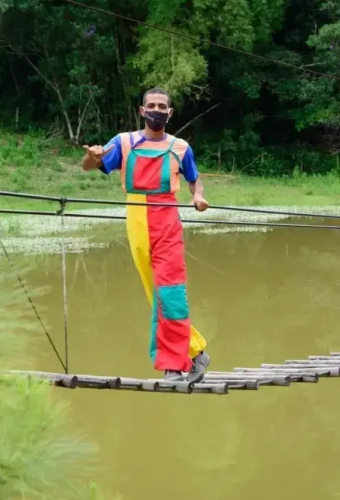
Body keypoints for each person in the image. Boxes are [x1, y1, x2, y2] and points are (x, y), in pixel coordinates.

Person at [80, 87, 211, 383]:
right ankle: (195, 352)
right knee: (155, 291)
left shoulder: (180, 147)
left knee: (170, 289)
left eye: (162, 106)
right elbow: (88, 166)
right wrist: (92, 157)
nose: (156, 110)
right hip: (136, 217)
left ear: (169, 113)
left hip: (167, 218)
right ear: (142, 111)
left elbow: (194, 178)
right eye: (151, 105)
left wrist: (198, 196)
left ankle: (174, 365)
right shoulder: (123, 142)